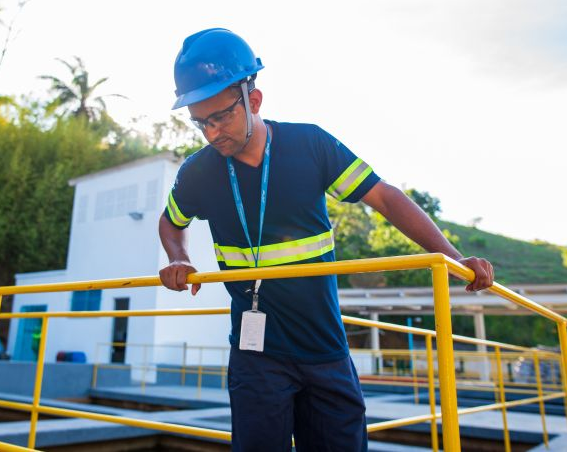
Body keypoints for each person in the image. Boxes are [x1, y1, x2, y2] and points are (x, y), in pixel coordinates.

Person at [158, 28, 494, 451]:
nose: (211, 133)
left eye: (220, 116)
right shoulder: (198, 172)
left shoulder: (310, 144)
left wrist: (454, 257)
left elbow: (385, 198)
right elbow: (171, 222)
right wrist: (178, 258)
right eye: (200, 122)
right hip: (256, 359)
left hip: (325, 351)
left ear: (254, 101)